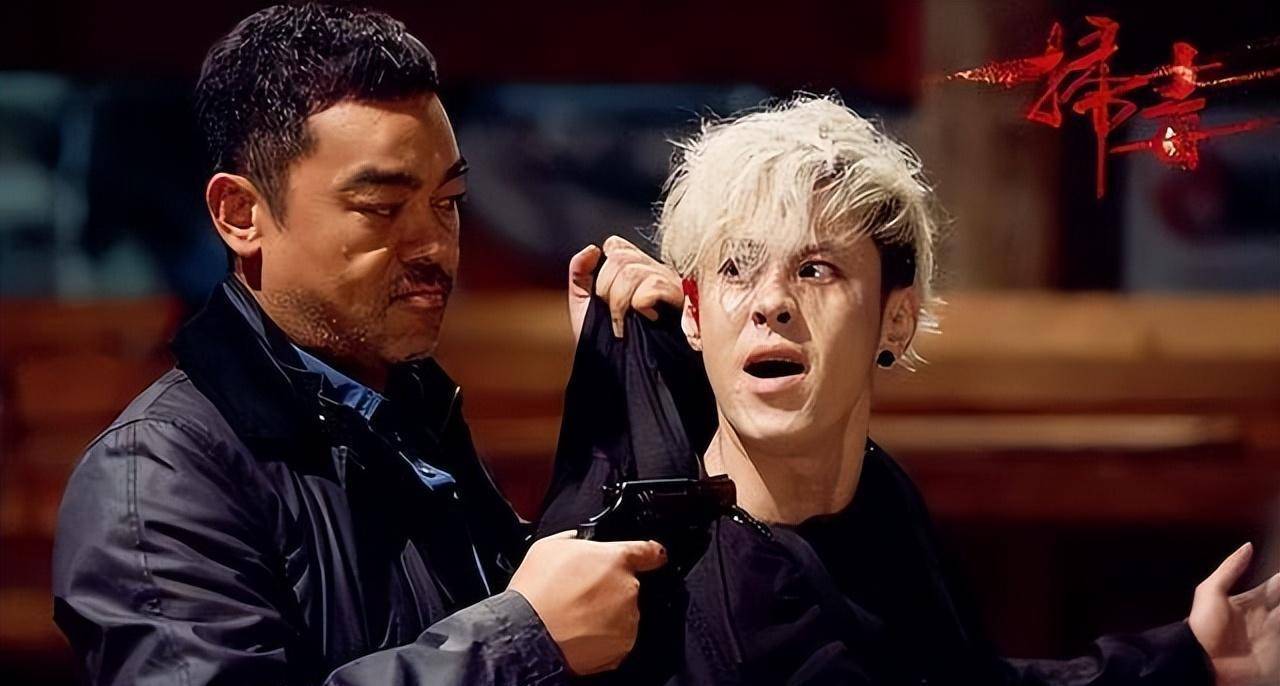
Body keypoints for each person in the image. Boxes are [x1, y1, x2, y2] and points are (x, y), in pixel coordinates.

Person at [539, 95, 1280, 685]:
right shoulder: (637, 575)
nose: (770, 303)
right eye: (736, 268)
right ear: (696, 317)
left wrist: (1190, 658)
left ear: (895, 319)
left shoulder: (879, 504)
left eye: (815, 269)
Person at [51, 5, 681, 684]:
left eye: (448, 200)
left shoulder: (404, 409)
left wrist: (617, 383)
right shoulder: (156, 474)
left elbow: (558, 619)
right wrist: (521, 642)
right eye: (382, 207)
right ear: (240, 214)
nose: (434, 245)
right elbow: (530, 631)